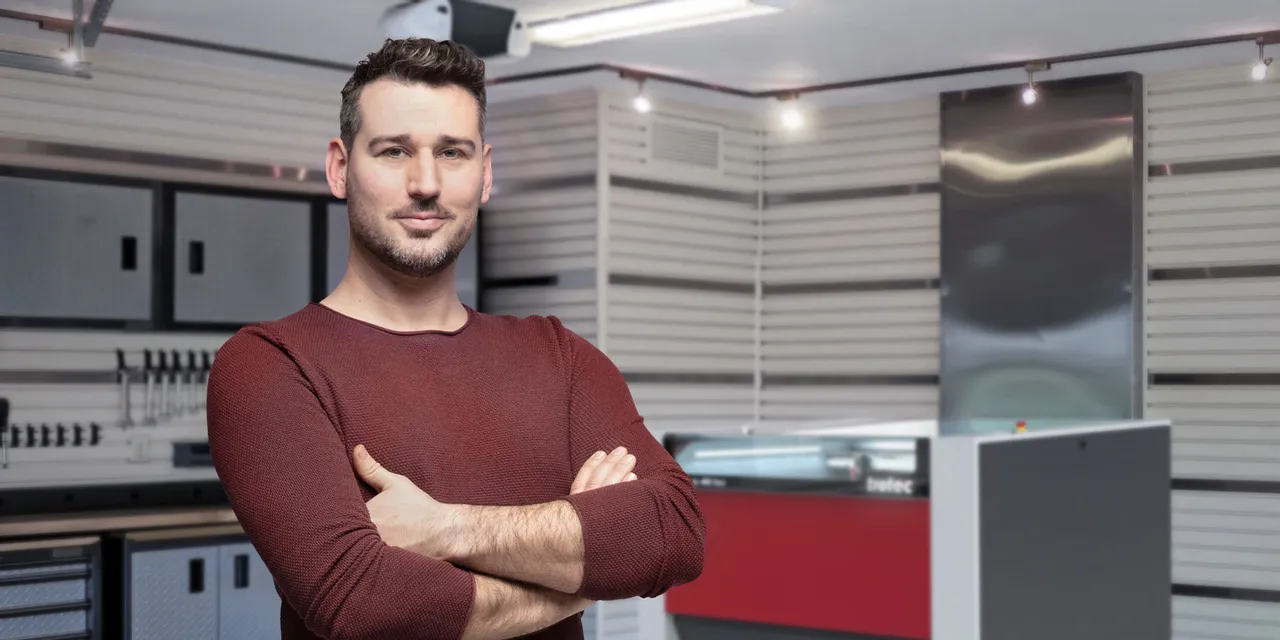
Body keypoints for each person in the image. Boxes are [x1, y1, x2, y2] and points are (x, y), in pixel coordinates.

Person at [205, 38, 705, 640]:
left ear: (485, 173)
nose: (425, 183)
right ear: (341, 168)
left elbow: (673, 533)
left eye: (453, 153)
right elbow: (364, 604)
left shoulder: (558, 356)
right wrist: (581, 571)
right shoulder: (271, 366)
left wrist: (447, 528)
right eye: (393, 151)